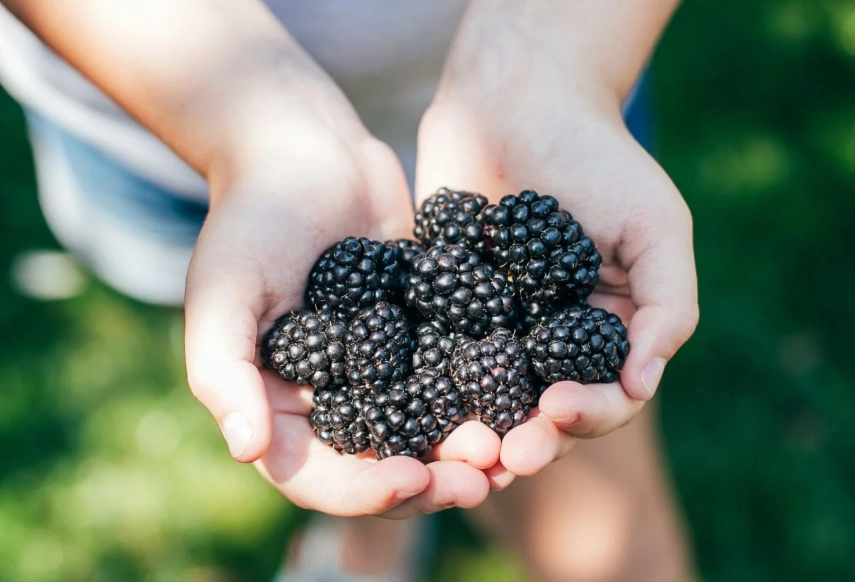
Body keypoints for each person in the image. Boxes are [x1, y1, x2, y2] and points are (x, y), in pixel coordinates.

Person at [0, 1, 699, 580]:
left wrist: (555, 63)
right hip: (153, 102)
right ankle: (377, 540)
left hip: (556, 60)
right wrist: (247, 133)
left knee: (589, 510)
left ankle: (401, 532)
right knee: (243, 316)